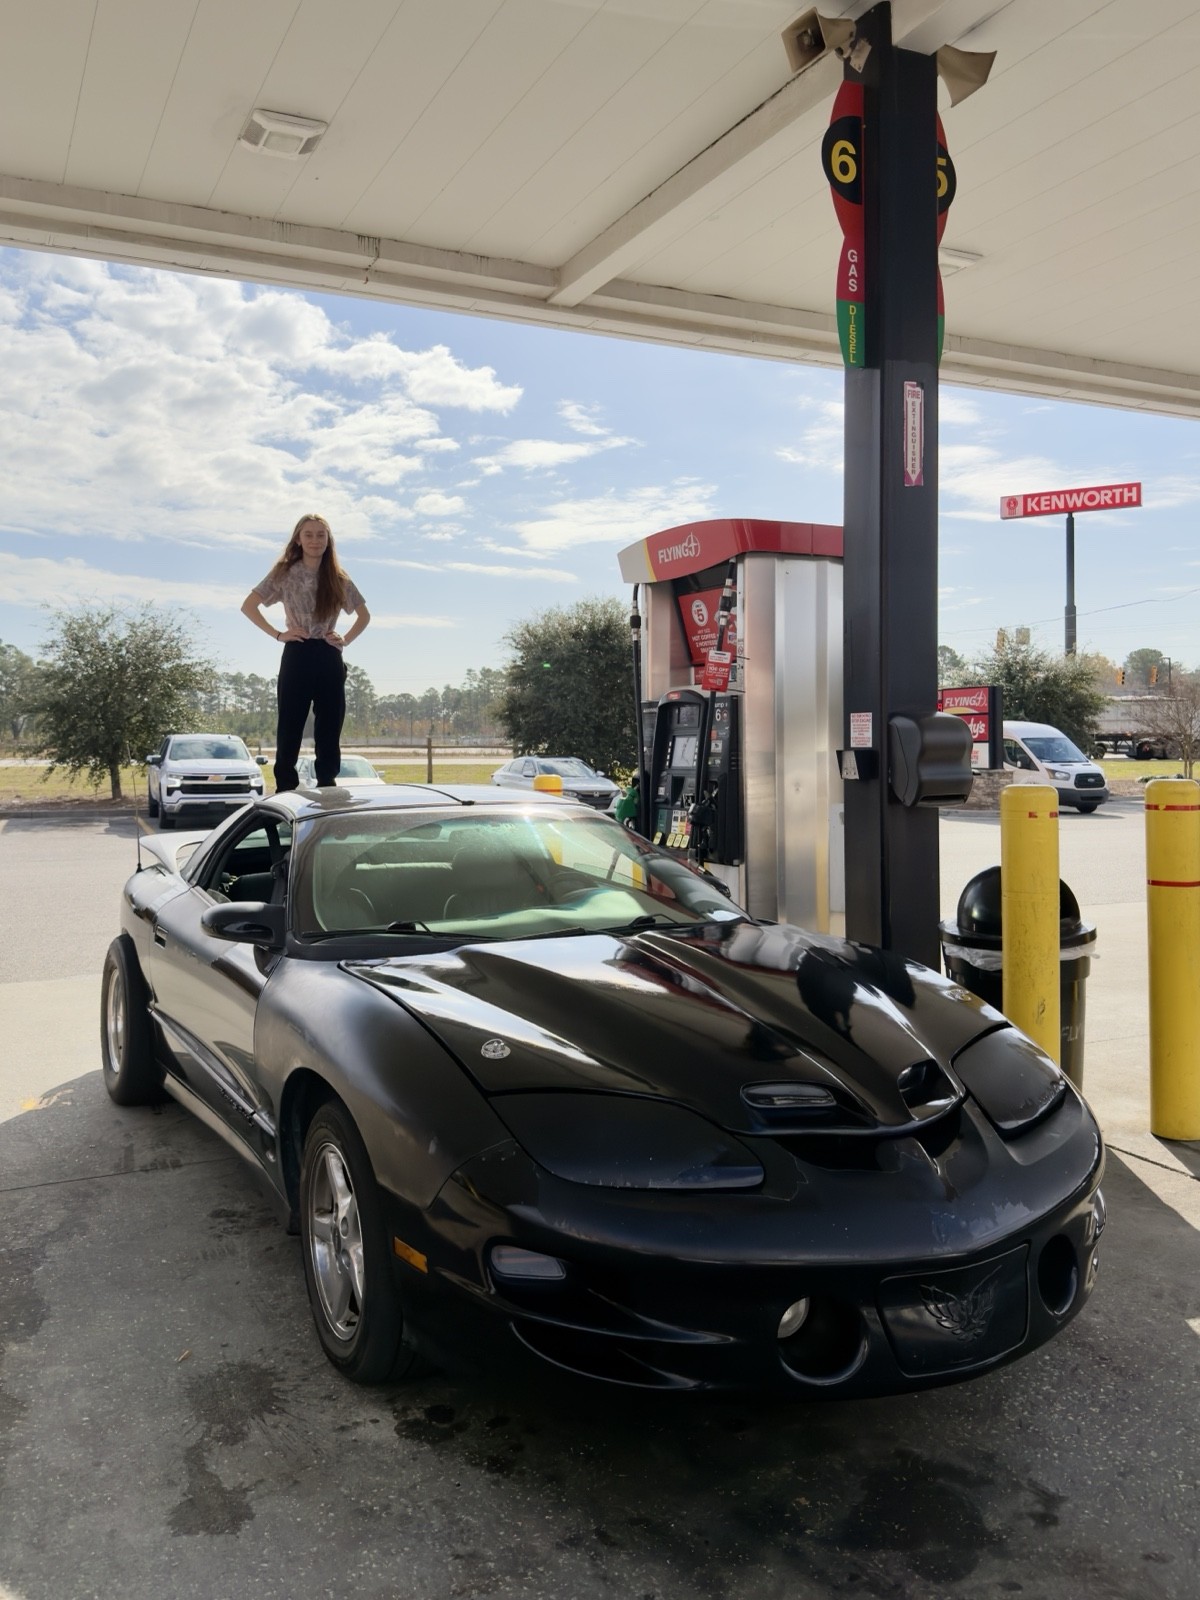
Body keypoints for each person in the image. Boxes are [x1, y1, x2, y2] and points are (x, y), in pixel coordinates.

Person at [240, 514, 371, 790]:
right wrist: (278, 634)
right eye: (308, 534)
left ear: (328, 540)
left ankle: (327, 783)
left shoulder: (338, 577)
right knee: (291, 723)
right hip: (297, 652)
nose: (315, 540)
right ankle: (286, 786)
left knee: (330, 725)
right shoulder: (284, 572)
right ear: (298, 539)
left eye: (321, 535)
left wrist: (345, 639)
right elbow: (249, 606)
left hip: (329, 654)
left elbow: (364, 615)